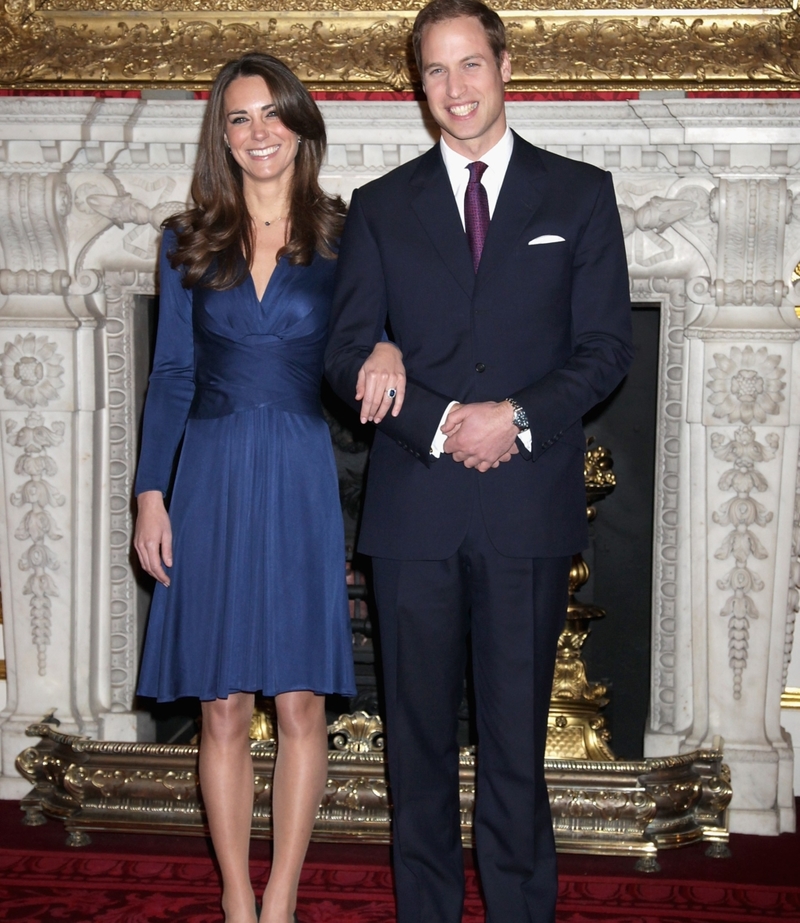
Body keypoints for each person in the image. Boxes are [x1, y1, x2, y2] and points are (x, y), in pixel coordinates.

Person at [324, 2, 634, 921]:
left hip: (525, 509)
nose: (454, 89)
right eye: (434, 72)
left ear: (503, 65)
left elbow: (607, 348)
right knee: (414, 747)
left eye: (469, 65)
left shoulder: (580, 194)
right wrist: (439, 413)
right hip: (413, 513)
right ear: (417, 86)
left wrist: (518, 418)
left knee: (513, 745)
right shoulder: (380, 207)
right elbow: (345, 354)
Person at [133, 53, 395, 923]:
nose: (258, 134)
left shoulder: (346, 236)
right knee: (220, 703)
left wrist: (390, 347)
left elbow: (374, 338)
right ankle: (237, 898)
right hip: (205, 473)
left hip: (295, 470)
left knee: (300, 698)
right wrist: (149, 494)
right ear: (223, 135)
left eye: (271, 115)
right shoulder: (185, 239)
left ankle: (282, 893)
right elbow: (171, 372)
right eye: (239, 119)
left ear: (300, 124)